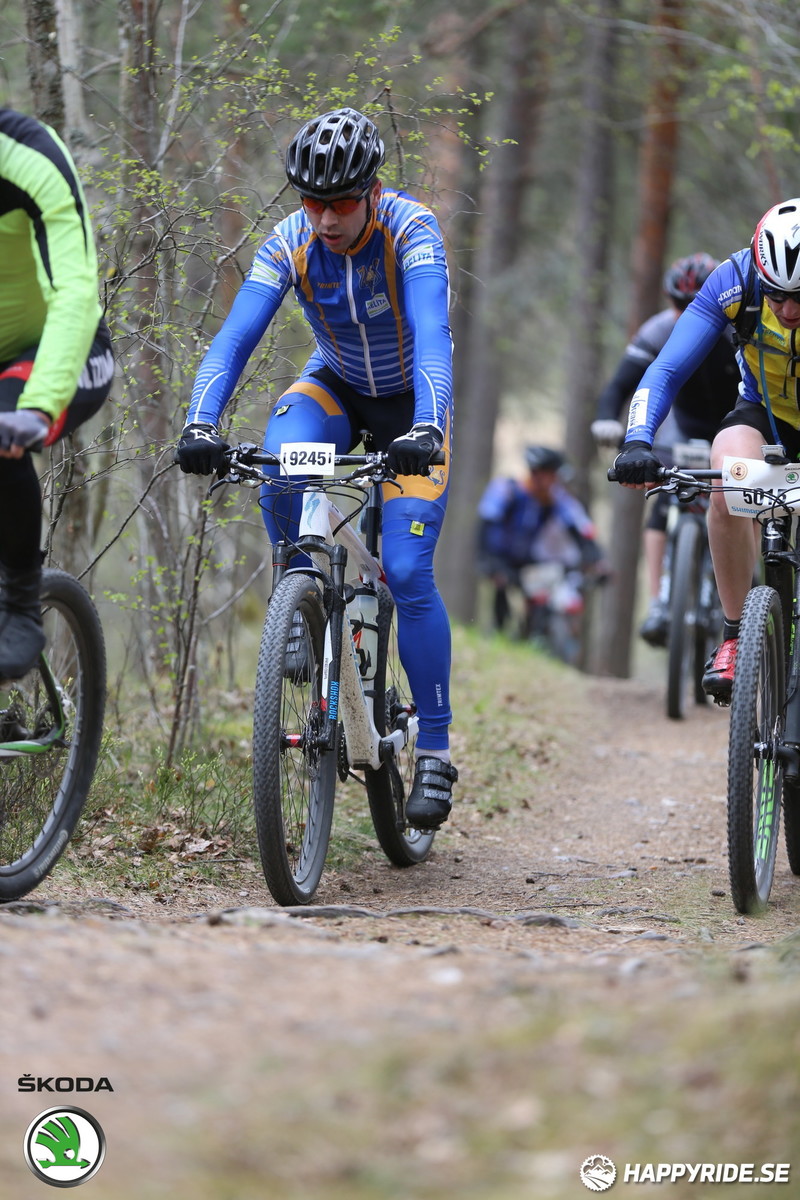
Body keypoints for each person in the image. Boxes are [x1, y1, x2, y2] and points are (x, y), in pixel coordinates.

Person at [175, 106, 458, 830]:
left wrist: (428, 425)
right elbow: (235, 338)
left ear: (372, 191)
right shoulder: (290, 241)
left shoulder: (411, 230)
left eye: (341, 203)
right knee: (279, 466)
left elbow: (433, 335)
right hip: (335, 385)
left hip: (410, 407)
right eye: (312, 202)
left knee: (408, 570)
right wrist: (201, 422)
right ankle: (298, 601)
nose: (326, 218)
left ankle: (435, 748)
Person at [611, 197, 800, 703]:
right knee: (728, 479)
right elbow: (666, 368)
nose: (789, 310)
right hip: (765, 415)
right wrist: (637, 440)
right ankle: (735, 636)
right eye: (778, 295)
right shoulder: (734, 280)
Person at [0, 108, 114, 679]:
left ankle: (21, 600)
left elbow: (74, 289)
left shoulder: (28, 156)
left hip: (59, 351)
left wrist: (38, 407)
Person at [593, 253, 739, 646]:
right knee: (663, 500)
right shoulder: (658, 330)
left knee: (744, 497)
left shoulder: (734, 328)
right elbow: (620, 384)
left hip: (731, 424)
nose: (684, 314)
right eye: (678, 304)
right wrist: (607, 419)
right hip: (683, 430)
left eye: (693, 304)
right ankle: (659, 600)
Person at [477, 444, 607, 634]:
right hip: (499, 559)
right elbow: (485, 526)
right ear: (537, 473)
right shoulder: (506, 490)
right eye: (552, 476)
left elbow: (577, 528)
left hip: (528, 560)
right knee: (502, 602)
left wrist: (596, 558)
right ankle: (498, 633)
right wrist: (488, 562)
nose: (556, 481)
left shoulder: (553, 498)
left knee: (542, 599)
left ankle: (533, 636)